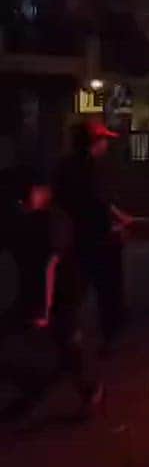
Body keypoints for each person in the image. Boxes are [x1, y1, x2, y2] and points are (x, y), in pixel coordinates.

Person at [1, 174, 102, 421]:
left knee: (67, 341)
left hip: (62, 293)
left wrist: (44, 309)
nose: (24, 202)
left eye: (29, 194)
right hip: (37, 294)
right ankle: (33, 388)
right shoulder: (24, 220)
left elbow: (50, 266)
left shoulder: (55, 220)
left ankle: (89, 392)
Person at [53, 119, 134, 355]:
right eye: (104, 140)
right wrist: (119, 222)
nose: (106, 145)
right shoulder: (91, 168)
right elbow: (101, 203)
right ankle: (109, 338)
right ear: (94, 142)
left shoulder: (64, 166)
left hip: (74, 238)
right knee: (109, 292)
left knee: (72, 292)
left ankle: (67, 337)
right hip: (99, 238)